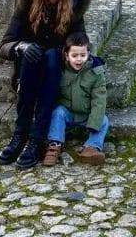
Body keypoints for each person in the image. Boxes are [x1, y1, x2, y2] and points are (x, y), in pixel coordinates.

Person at [0, 0, 91, 170]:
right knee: (34, 53)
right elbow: (5, 44)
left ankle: (36, 139)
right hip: (28, 72)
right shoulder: (27, 4)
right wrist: (21, 47)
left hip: (55, 73)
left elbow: (80, 42)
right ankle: (19, 135)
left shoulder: (74, 7)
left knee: (50, 56)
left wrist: (68, 52)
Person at [42, 32, 109, 166]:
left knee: (104, 120)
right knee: (58, 112)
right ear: (66, 55)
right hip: (67, 112)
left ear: (89, 53)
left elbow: (99, 99)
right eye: (74, 55)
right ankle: (55, 144)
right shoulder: (60, 70)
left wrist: (94, 123)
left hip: (86, 114)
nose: (79, 59)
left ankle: (91, 148)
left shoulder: (96, 73)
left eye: (83, 55)